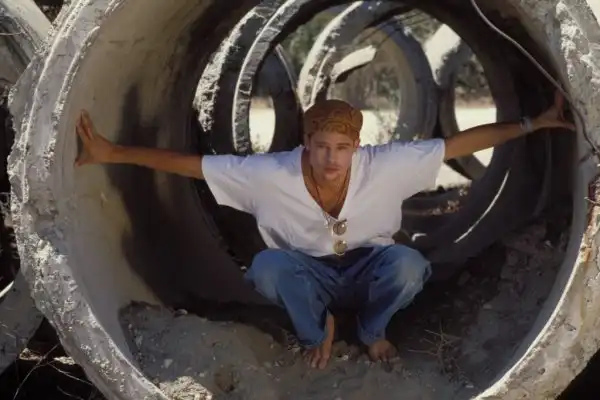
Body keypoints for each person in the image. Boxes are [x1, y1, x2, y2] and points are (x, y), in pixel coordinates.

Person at [74, 91, 574, 370]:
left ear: (357, 146)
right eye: (321, 147)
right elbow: (191, 166)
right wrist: (112, 152)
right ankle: (319, 330)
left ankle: (373, 329)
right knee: (267, 268)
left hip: (369, 266)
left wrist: (534, 124)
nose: (331, 159)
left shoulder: (388, 165)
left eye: (342, 147)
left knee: (409, 265)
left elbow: (460, 144)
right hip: (307, 273)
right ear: (306, 143)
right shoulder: (268, 175)